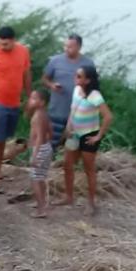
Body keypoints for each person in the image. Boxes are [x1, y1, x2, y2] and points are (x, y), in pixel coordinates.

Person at [54, 65, 113, 216]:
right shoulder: (76, 90)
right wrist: (68, 128)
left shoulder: (95, 95)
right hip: (74, 134)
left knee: (89, 169)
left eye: (79, 76)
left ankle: (91, 203)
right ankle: (68, 197)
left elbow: (108, 117)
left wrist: (98, 136)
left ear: (88, 80)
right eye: (76, 75)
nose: (76, 78)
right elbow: (73, 110)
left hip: (88, 135)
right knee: (67, 166)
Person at [0, 26, 32, 192]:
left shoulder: (23, 52)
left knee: (3, 140)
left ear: (13, 41)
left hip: (14, 102)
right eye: (0, 44)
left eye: (6, 44)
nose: (3, 47)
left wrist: (30, 96)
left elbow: (26, 74)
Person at [42, 34, 95, 149]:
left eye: (70, 47)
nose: (66, 49)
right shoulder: (55, 61)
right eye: (65, 46)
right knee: (50, 144)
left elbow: (94, 86)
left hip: (78, 114)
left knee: (71, 147)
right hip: (56, 111)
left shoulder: (88, 64)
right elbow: (45, 79)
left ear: (79, 47)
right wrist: (52, 85)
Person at [27, 89, 53, 218]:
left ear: (42, 102)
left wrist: (35, 155)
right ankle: (41, 202)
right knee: (40, 177)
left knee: (35, 179)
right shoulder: (44, 114)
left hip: (40, 149)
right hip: (46, 148)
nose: (30, 101)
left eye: (34, 98)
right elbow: (50, 132)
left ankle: (41, 209)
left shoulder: (38, 116)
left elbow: (40, 137)